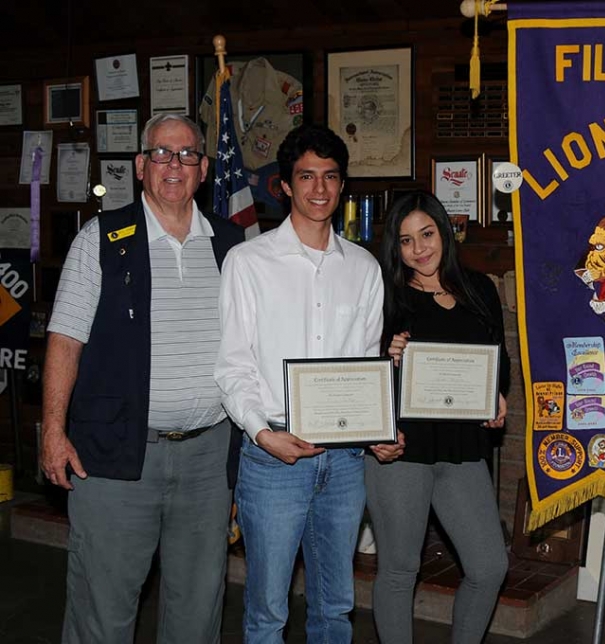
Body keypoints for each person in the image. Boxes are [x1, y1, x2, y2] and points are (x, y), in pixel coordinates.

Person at [40, 113, 245, 643]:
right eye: (160, 153)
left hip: (208, 460)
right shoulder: (103, 239)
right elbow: (64, 340)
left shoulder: (233, 245)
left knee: (198, 610)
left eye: (186, 155)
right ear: (139, 166)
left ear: (203, 168)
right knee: (102, 610)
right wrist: (52, 431)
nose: (172, 165)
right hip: (114, 457)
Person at [214, 123, 404, 642]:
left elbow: (366, 362)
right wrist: (261, 432)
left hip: (343, 462)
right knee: (267, 613)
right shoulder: (248, 262)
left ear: (342, 187)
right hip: (273, 455)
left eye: (330, 177)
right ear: (285, 185)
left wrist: (378, 428)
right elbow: (232, 365)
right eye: (306, 177)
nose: (319, 189)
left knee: (336, 608)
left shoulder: (364, 268)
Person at [366, 190, 510, 644]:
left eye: (426, 234)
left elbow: (497, 362)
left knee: (489, 566)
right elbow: (357, 374)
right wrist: (385, 358)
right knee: (399, 569)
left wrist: (497, 398)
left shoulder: (480, 289)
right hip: (401, 451)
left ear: (444, 232)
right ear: (397, 249)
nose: (419, 249)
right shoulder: (385, 296)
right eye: (406, 241)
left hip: (463, 450)